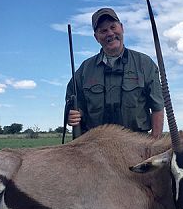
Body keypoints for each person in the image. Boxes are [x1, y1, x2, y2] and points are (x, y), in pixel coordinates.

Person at [65, 8, 164, 138]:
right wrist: (71, 116)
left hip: (135, 146)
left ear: (122, 28)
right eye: (103, 31)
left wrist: (153, 146)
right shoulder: (85, 70)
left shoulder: (145, 64)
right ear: (96, 37)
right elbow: (74, 106)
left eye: (113, 27)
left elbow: (157, 108)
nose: (110, 33)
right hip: (95, 148)